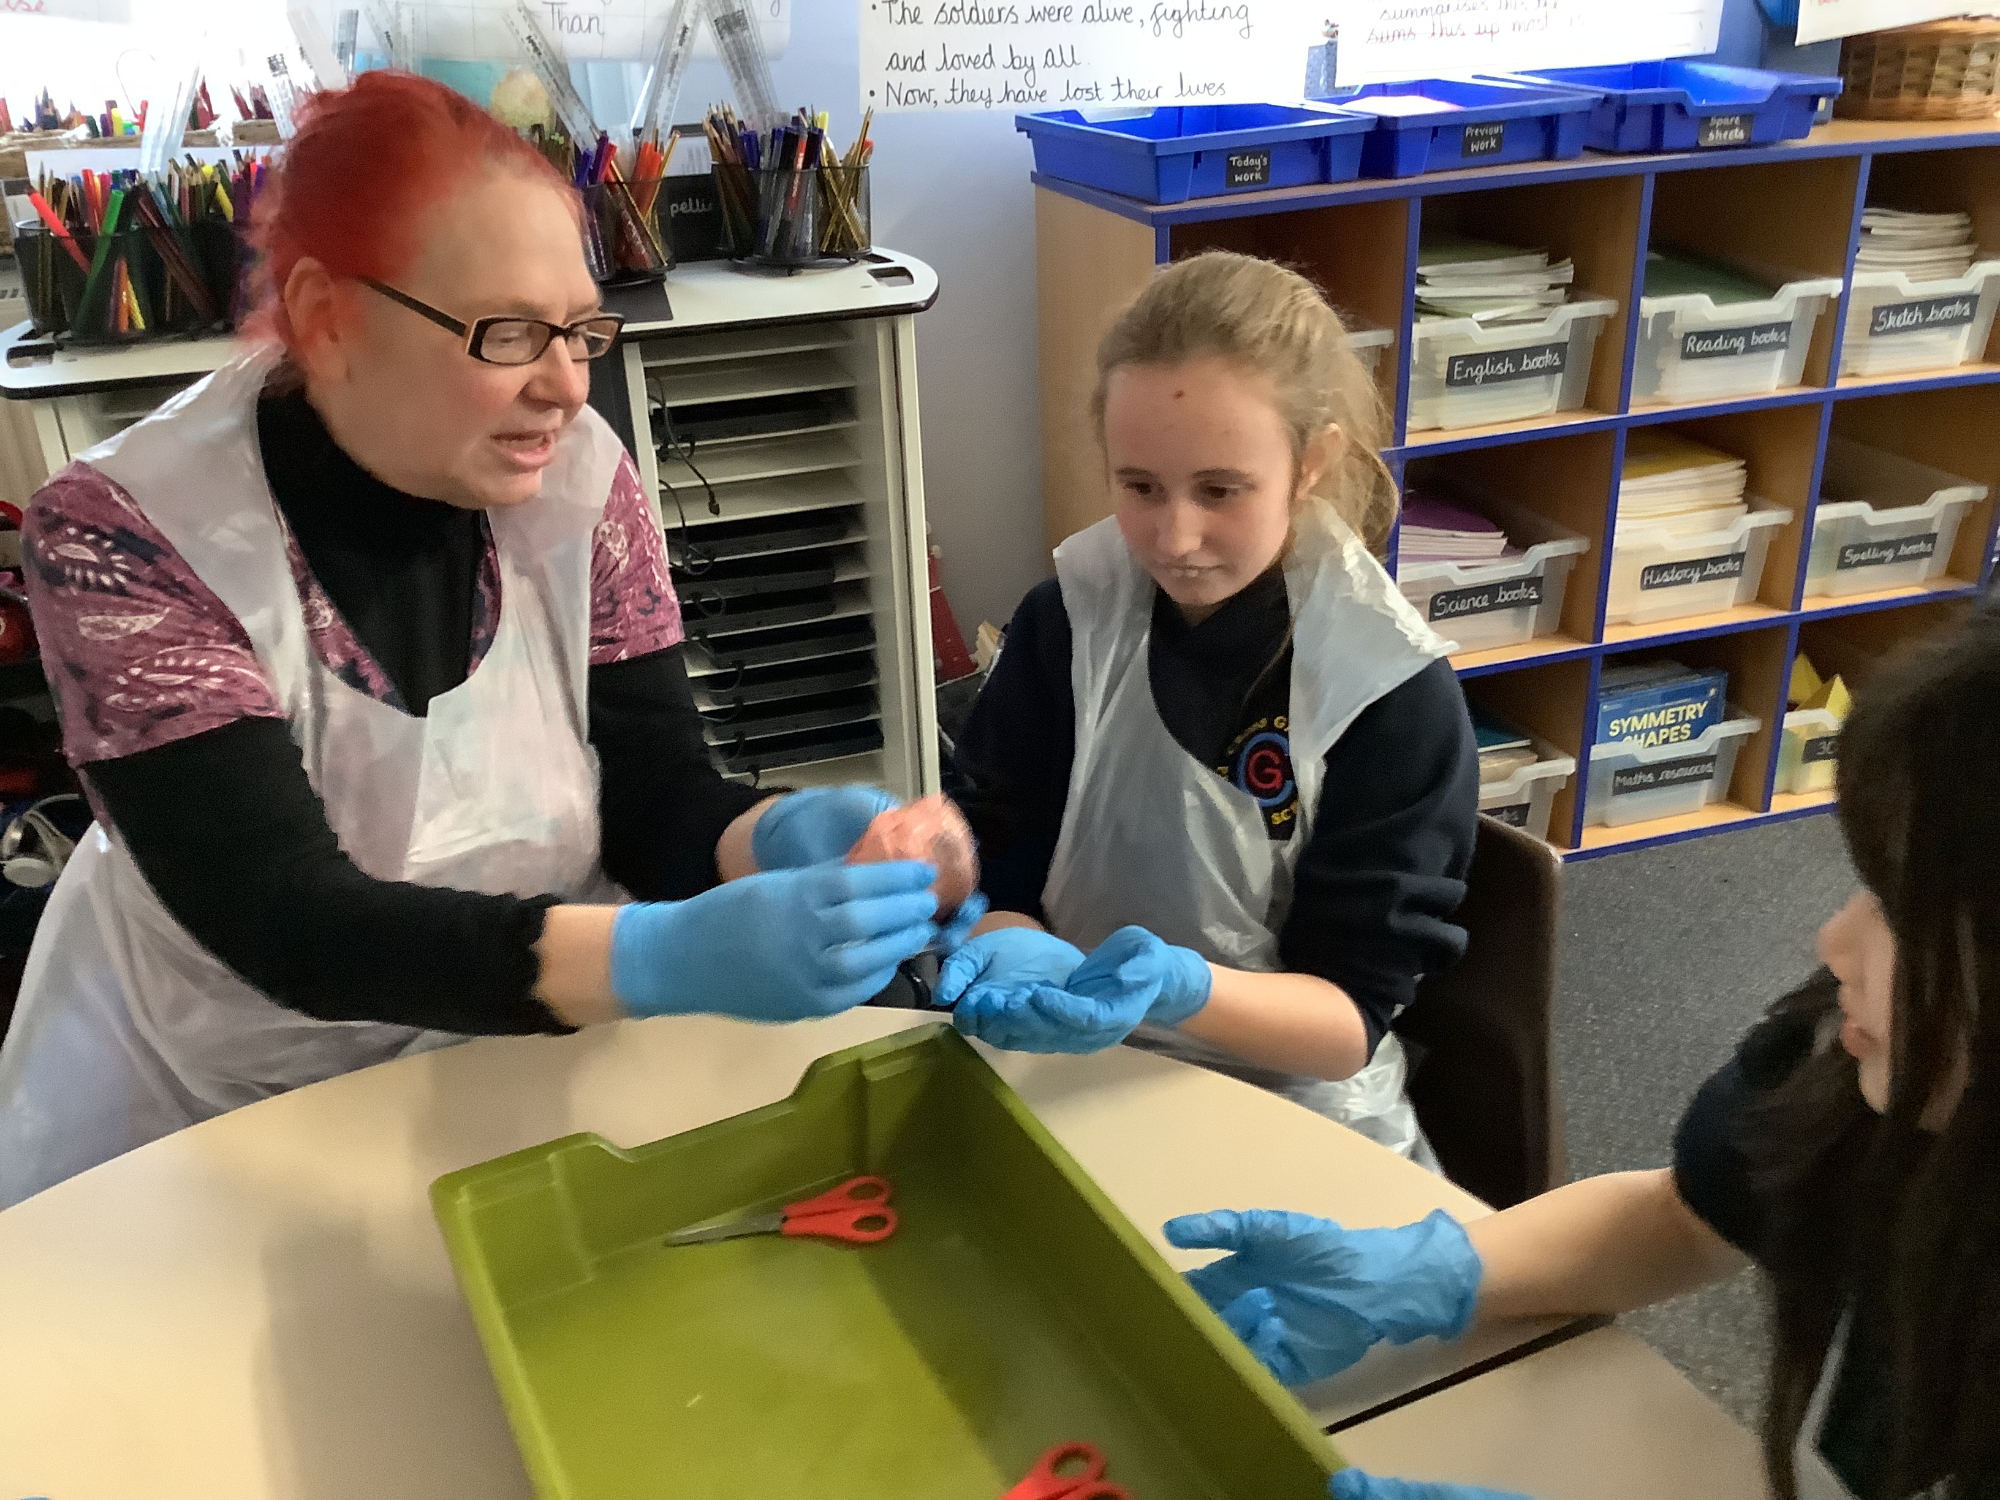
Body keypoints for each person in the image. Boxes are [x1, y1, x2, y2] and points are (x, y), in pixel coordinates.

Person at [0, 73, 976, 1209]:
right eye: (508, 333)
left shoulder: (578, 482)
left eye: (580, 329)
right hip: (219, 1096)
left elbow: (651, 794)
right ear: (327, 316)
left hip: (512, 1044)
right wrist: (660, 955)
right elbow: (287, 919)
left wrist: (775, 837)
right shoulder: (128, 534)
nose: (565, 386)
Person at [1166, 608, 2000, 1500]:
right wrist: (1431, 1270)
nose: (1833, 942)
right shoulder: (1862, 1054)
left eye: (1902, 913)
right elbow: (1689, 1217)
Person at [942, 252, 1478, 1159]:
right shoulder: (1068, 622)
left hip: (1289, 1104)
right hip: (1072, 1063)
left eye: (1220, 491)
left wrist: (1180, 988)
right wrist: (1007, 940)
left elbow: (1348, 1019)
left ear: (1311, 463)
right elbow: (998, 858)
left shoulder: (1385, 690)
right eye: (1139, 487)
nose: (1175, 537)